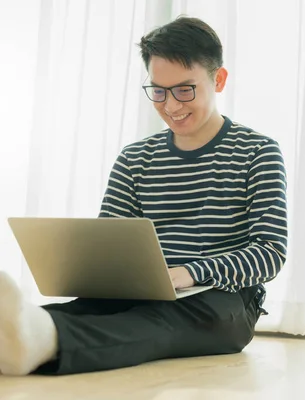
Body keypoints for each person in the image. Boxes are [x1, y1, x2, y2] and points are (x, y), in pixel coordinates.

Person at [0, 16, 287, 376]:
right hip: (142, 290)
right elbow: (110, 246)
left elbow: (270, 252)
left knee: (160, 321)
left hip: (222, 299)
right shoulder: (135, 159)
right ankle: (26, 334)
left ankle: (43, 343)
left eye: (185, 90)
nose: (170, 105)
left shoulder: (257, 151)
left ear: (219, 79)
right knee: (86, 309)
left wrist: (188, 273)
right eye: (158, 91)